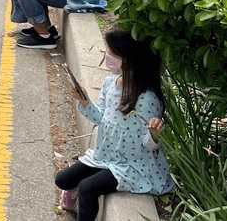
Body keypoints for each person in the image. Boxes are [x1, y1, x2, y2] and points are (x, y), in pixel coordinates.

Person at [55, 28, 173, 221]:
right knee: (62, 179)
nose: (107, 57)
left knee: (88, 188)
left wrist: (153, 135)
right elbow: (101, 118)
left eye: (112, 53)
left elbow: (148, 146)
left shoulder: (147, 99)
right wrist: (85, 103)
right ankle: (77, 188)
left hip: (132, 166)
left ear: (129, 59)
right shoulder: (111, 82)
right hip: (106, 155)